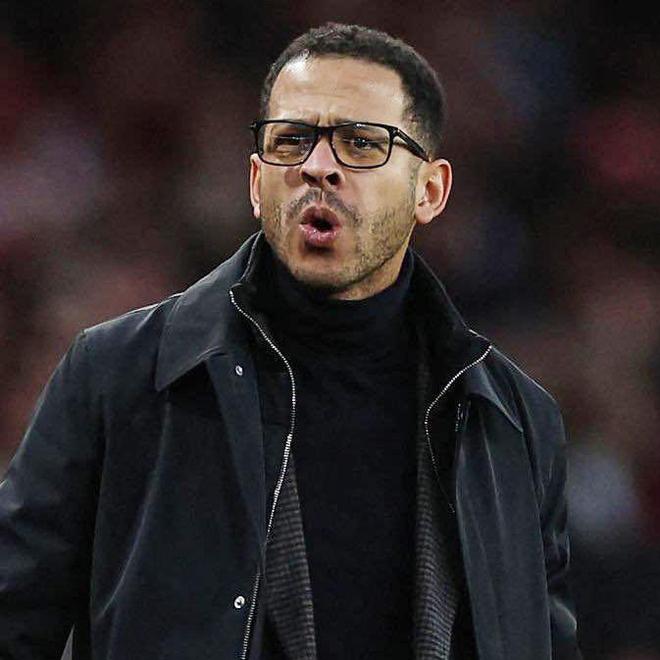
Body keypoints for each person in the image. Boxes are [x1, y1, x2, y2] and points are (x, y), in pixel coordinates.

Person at [0, 22, 581, 660]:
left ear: (430, 191)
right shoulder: (119, 374)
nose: (318, 168)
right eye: (292, 140)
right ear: (256, 182)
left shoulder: (516, 421)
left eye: (362, 143)